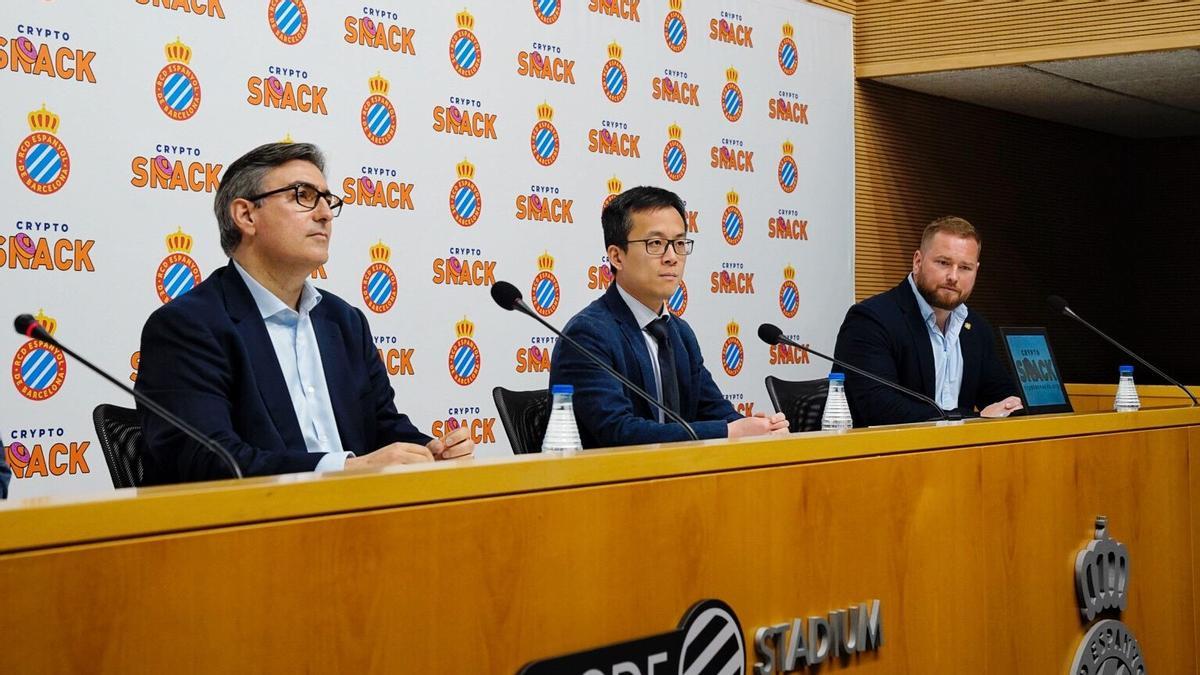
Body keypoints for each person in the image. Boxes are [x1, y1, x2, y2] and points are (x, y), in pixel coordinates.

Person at [136, 142, 473, 483]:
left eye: (328, 200)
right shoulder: (188, 326)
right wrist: (343, 469)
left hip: (360, 519)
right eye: (303, 195)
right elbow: (208, 462)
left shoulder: (344, 322)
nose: (325, 213)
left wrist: (429, 450)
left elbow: (382, 426)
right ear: (246, 215)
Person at [549, 186, 788, 448]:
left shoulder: (679, 332)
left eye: (679, 243)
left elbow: (715, 411)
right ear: (617, 256)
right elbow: (618, 432)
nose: (672, 257)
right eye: (656, 244)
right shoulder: (587, 335)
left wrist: (760, 428)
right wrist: (730, 431)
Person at [833, 216, 1022, 426]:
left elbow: (1005, 397)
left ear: (976, 270)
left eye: (965, 268)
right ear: (918, 261)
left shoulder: (977, 329)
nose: (953, 276)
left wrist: (1010, 408)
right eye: (943, 263)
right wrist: (973, 419)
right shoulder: (871, 320)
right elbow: (877, 407)